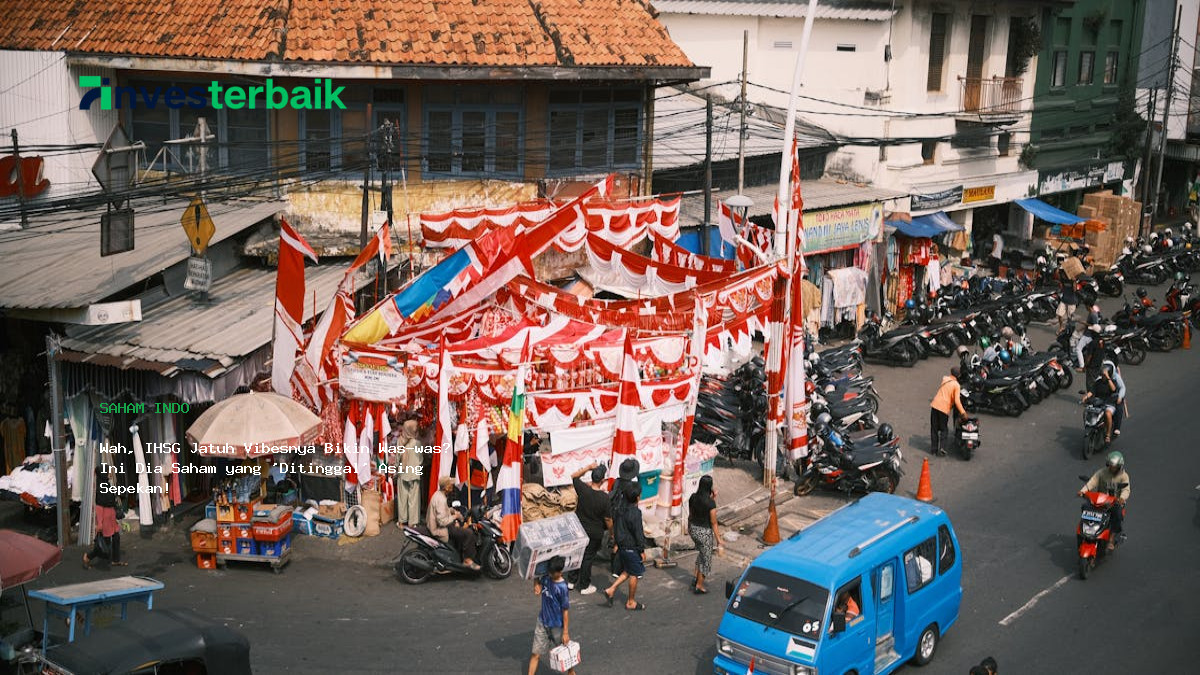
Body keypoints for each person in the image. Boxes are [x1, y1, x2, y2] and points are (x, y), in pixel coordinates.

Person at [528, 555, 574, 675]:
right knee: (535, 654)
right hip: (542, 622)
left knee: (565, 654)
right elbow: (537, 578)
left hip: (557, 626)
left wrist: (565, 632)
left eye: (553, 573)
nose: (550, 574)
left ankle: (571, 672)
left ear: (559, 572)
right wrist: (535, 583)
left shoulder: (562, 588)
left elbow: (565, 610)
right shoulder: (546, 578)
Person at [603, 483, 646, 611]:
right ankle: (631, 602)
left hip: (622, 546)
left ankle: (611, 589)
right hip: (631, 547)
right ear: (637, 498)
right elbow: (638, 533)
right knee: (634, 573)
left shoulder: (618, 509)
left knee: (627, 570)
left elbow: (616, 527)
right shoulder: (635, 513)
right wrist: (641, 550)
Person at [569, 462, 609, 595]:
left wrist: (587, 467)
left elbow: (574, 476)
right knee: (587, 557)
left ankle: (571, 580)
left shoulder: (583, 489)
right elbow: (608, 520)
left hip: (579, 528)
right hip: (594, 532)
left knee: (576, 553)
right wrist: (612, 532)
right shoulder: (605, 498)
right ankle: (584, 585)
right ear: (603, 480)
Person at [426, 475, 479, 570]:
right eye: (450, 484)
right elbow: (442, 521)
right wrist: (455, 516)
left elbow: (443, 511)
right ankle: (467, 560)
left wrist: (452, 511)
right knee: (469, 533)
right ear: (446, 487)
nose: (452, 486)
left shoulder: (439, 494)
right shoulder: (441, 499)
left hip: (441, 525)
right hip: (440, 528)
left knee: (459, 527)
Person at [1079, 451, 1130, 549]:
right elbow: (1092, 481)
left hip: (1114, 503)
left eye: (1114, 466)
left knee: (1118, 515)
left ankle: (1111, 538)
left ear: (1119, 466)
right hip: (1100, 500)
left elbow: (1126, 489)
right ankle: (1086, 530)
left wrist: (1122, 498)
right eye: (1110, 465)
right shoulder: (1102, 472)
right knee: (1085, 507)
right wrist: (1083, 491)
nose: (1112, 468)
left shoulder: (1124, 476)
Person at [83, 465, 126, 569]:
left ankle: (116, 560)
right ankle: (88, 556)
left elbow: (112, 500)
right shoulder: (101, 489)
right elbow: (99, 507)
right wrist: (100, 523)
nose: (110, 473)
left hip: (111, 515)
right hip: (105, 518)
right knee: (104, 542)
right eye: (107, 471)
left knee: (116, 537)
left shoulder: (106, 485)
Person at [687, 475, 722, 595]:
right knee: (706, 560)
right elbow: (713, 522)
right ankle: (699, 585)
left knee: (701, 553)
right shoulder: (710, 503)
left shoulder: (693, 497)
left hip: (692, 529)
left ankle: (695, 577)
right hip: (704, 533)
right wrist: (719, 539)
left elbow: (691, 514)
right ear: (710, 487)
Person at [606, 458, 640, 578]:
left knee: (617, 541)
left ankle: (615, 568)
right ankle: (621, 567)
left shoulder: (617, 482)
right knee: (625, 542)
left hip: (616, 514)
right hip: (626, 515)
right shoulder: (632, 485)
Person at [930, 367, 968, 457]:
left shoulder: (945, 379)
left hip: (935, 405)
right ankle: (942, 447)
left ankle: (933, 450)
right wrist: (963, 413)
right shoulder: (956, 385)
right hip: (944, 408)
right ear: (959, 375)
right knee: (944, 429)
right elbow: (957, 401)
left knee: (934, 428)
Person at [1081, 359, 1119, 443]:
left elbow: (1113, 389)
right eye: (1102, 374)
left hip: (1108, 404)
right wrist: (1086, 396)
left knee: (1108, 414)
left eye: (1104, 374)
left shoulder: (1113, 382)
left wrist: (1108, 378)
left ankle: (1108, 435)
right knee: (1086, 411)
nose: (1102, 376)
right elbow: (1092, 391)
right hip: (1098, 403)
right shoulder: (1098, 382)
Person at [395, 420, 424, 527]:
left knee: (402, 498)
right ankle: (412, 522)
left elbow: (397, 459)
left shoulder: (400, 441)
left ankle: (402, 521)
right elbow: (420, 460)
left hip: (403, 474)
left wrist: (397, 468)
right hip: (414, 474)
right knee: (414, 498)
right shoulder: (418, 443)